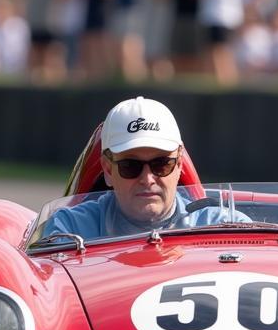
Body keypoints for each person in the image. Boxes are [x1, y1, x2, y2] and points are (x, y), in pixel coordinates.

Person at [45, 97, 247, 239]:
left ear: (178, 165)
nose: (148, 178)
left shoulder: (226, 226)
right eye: (130, 166)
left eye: (161, 164)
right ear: (107, 170)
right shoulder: (68, 228)